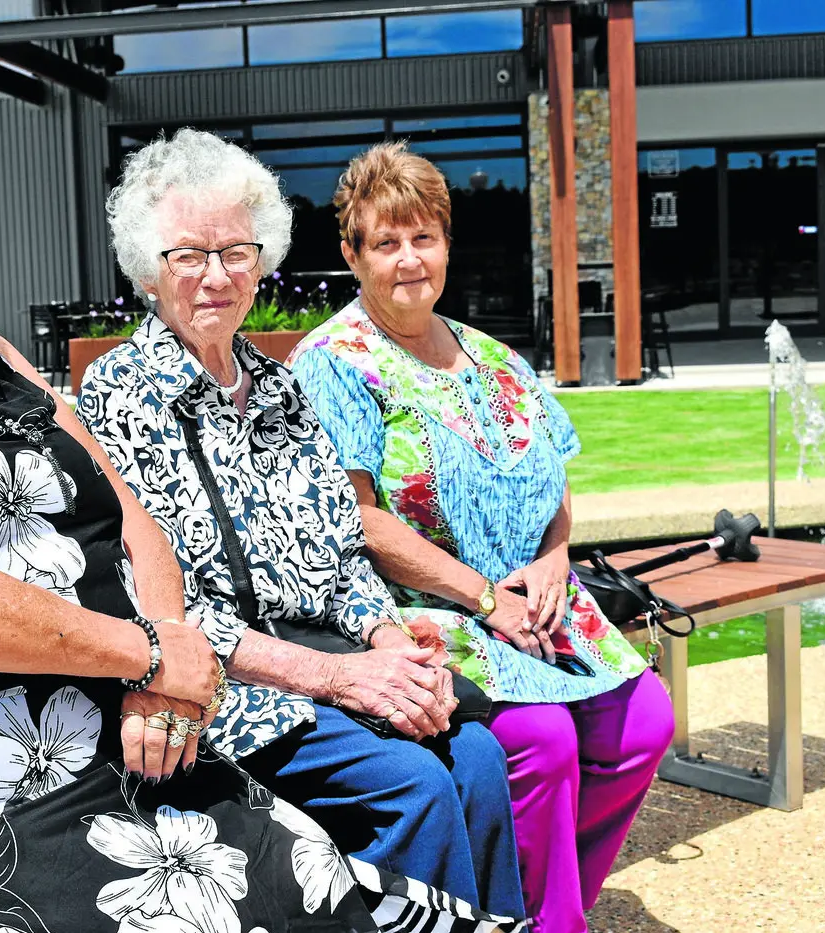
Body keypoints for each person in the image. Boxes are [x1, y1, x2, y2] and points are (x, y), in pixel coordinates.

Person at [0, 54, 516, 933]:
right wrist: (141, 657)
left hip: (84, 752)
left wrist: (164, 662)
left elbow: (137, 527)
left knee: (333, 891)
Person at [77, 128, 524, 919]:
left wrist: (386, 643)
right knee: (413, 787)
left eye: (236, 252)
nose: (216, 275)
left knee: (481, 757)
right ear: (151, 269)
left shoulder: (279, 388)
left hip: (336, 664)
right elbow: (157, 607)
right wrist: (346, 676)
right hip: (234, 689)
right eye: (189, 255)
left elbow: (345, 551)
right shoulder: (122, 395)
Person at [288, 142, 676, 933]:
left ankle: (553, 898)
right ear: (351, 253)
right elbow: (358, 518)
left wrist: (555, 556)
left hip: (535, 599)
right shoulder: (334, 361)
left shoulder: (489, 353)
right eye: (385, 241)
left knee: (645, 724)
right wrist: (484, 597)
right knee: (542, 740)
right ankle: (548, 920)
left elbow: (553, 470)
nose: (408, 259)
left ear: (446, 243)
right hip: (429, 610)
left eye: (423, 237)